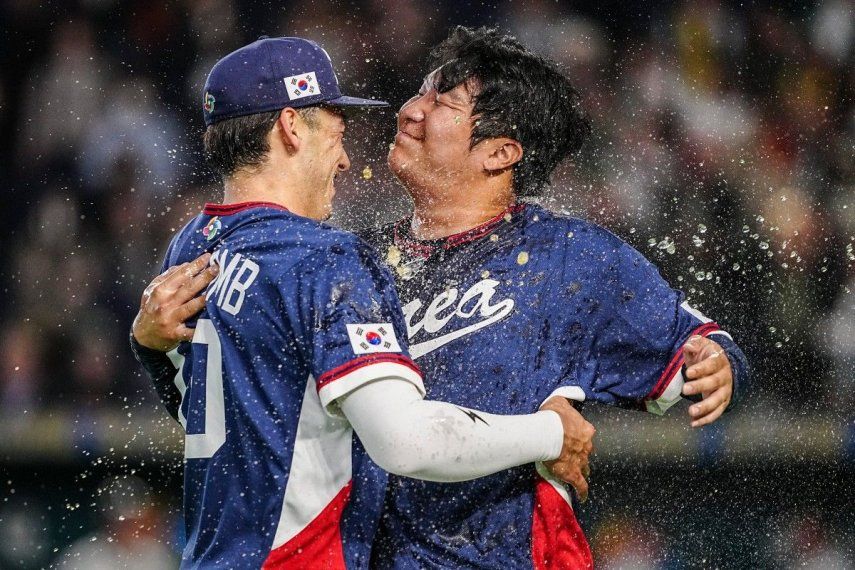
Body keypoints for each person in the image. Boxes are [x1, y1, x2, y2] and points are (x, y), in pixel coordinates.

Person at [137, 28, 751, 569]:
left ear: (501, 151)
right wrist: (153, 346)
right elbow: (261, 415)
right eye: (420, 91)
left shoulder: (572, 259)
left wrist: (718, 360)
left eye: (441, 101)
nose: (408, 111)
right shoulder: (351, 258)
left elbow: (694, 362)